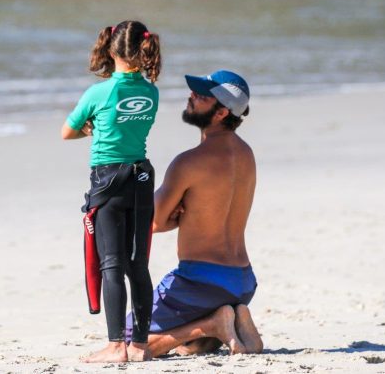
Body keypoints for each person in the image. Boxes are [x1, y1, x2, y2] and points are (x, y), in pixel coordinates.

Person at [126, 70, 264, 357]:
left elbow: (152, 222)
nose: (191, 97)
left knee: (130, 342)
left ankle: (212, 324)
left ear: (221, 112)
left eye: (201, 96)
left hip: (201, 281)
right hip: (243, 281)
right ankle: (226, 323)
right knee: (187, 349)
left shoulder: (188, 163)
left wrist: (175, 215)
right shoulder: (246, 155)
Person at [61, 20, 161, 363]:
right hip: (142, 181)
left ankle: (116, 345)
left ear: (111, 50)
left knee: (112, 265)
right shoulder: (151, 92)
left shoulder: (98, 93)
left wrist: (92, 129)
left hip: (108, 180)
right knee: (139, 266)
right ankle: (140, 346)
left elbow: (67, 132)